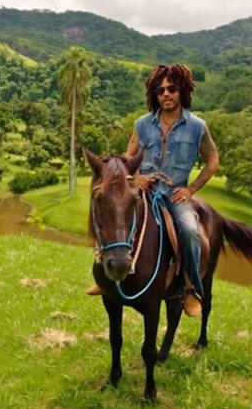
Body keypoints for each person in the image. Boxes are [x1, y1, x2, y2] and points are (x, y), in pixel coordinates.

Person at [87, 63, 219, 318]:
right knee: (112, 217)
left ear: (183, 90)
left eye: (171, 89)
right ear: (154, 95)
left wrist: (191, 190)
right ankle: (105, 279)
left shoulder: (198, 127)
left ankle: (190, 290)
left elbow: (213, 162)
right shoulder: (142, 124)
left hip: (174, 195)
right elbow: (128, 157)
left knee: (190, 231)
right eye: (160, 91)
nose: (166, 94)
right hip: (142, 191)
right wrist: (137, 178)